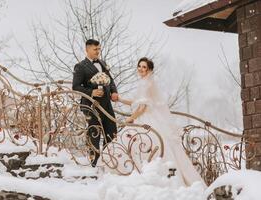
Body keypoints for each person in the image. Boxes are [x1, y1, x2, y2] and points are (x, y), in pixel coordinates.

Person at [118, 57, 205, 187]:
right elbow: (137, 102)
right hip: (144, 117)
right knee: (143, 144)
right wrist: (119, 99)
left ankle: (158, 177)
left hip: (147, 119)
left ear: (149, 70)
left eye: (144, 67)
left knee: (152, 144)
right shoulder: (144, 82)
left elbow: (143, 108)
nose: (141, 69)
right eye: (139, 66)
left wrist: (131, 118)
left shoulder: (147, 84)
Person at [72, 39, 118, 167]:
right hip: (91, 105)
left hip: (107, 104)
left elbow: (111, 80)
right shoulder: (80, 66)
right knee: (94, 133)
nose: (98, 51)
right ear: (87, 50)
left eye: (99, 49)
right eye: (95, 49)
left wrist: (114, 91)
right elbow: (75, 87)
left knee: (112, 131)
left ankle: (108, 159)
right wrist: (91, 92)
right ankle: (94, 162)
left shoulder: (102, 63)